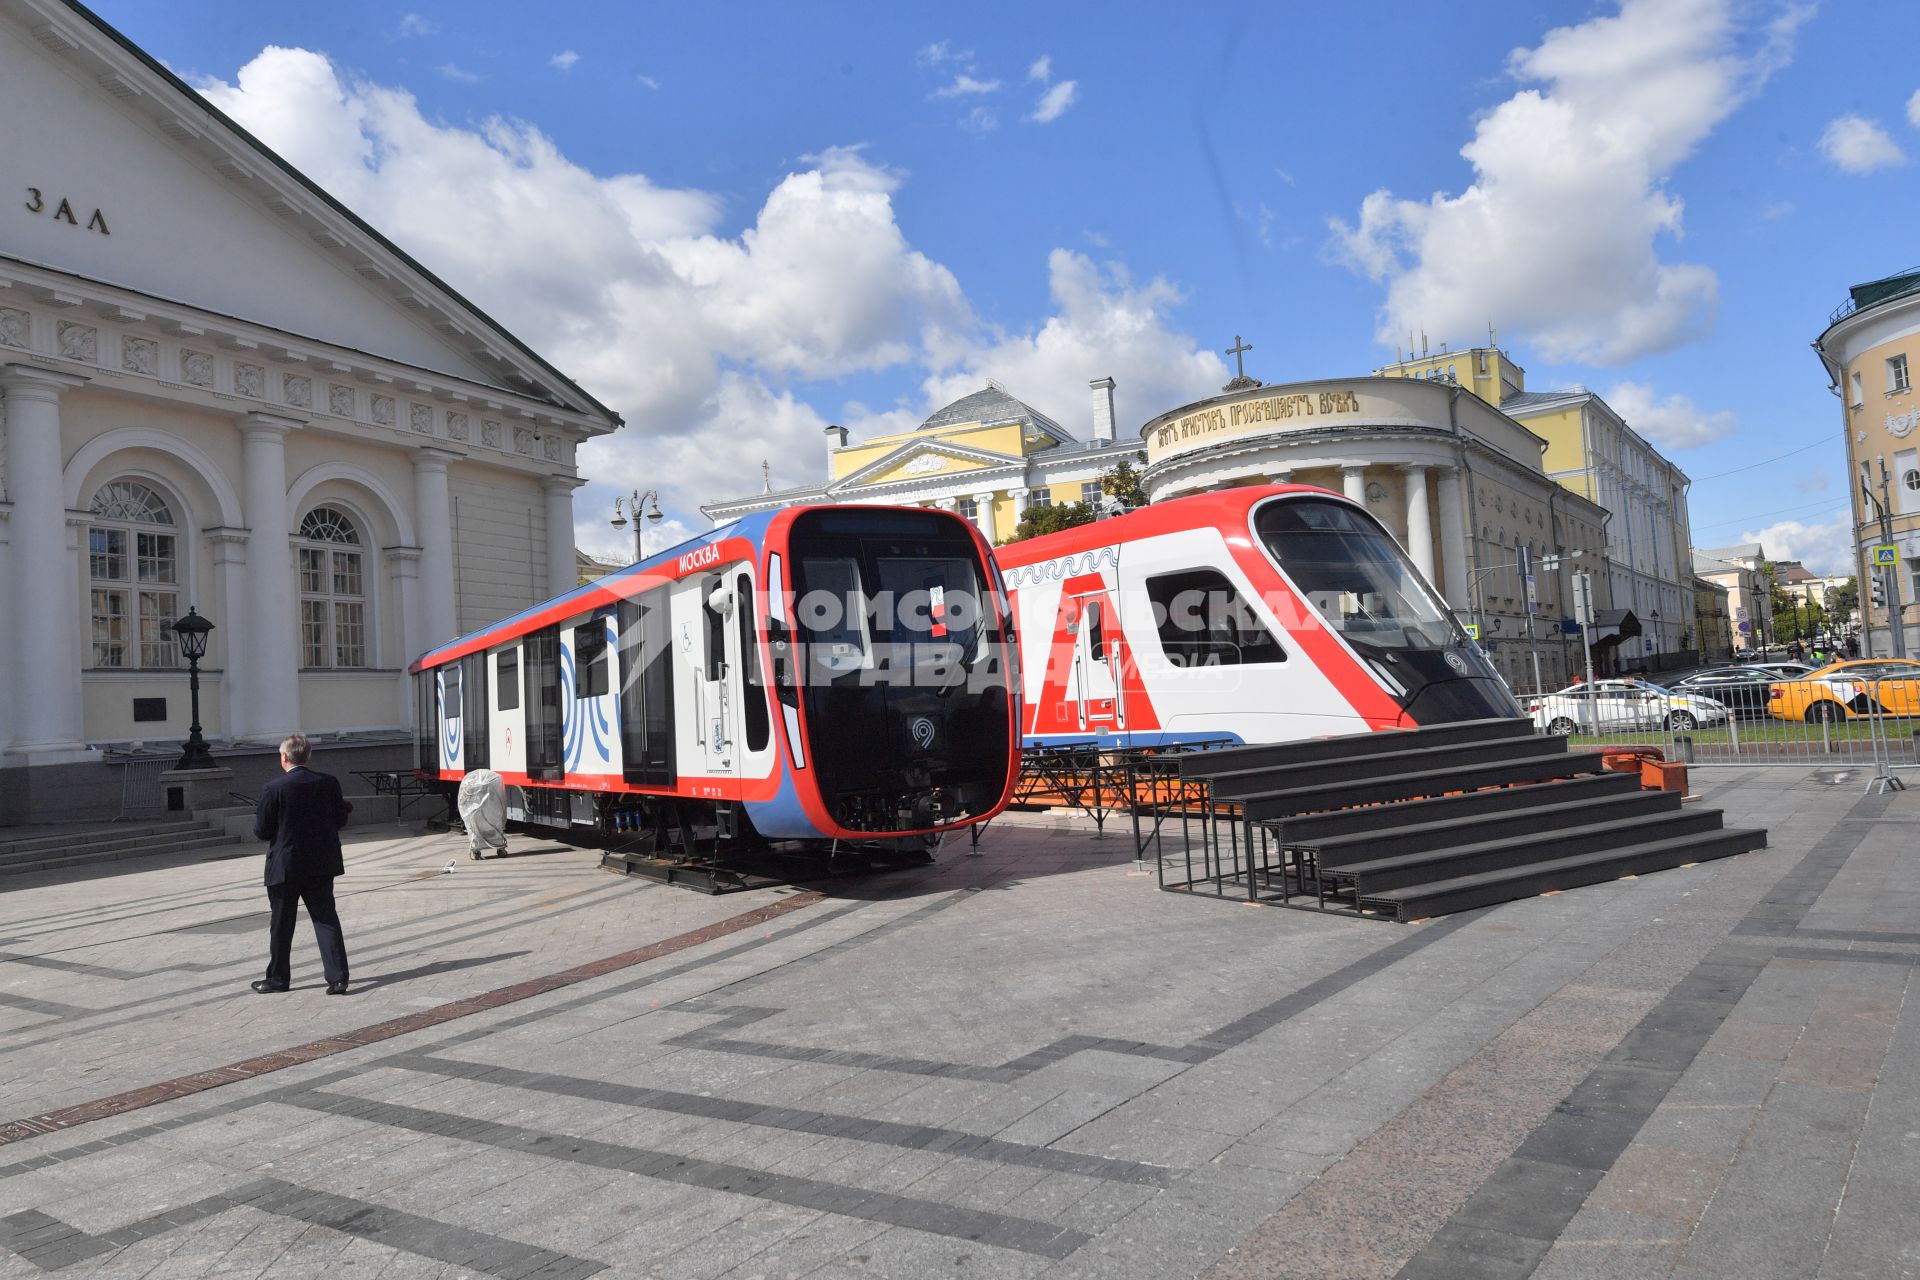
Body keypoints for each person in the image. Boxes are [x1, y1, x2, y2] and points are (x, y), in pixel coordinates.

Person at [250, 734, 351, 995]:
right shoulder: (328, 783)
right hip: (321, 863)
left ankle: (278, 979)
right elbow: (340, 820)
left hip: (286, 866)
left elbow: (262, 831)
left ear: (284, 757)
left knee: (282, 923)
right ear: (308, 756)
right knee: (326, 918)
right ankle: (338, 977)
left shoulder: (274, 788)